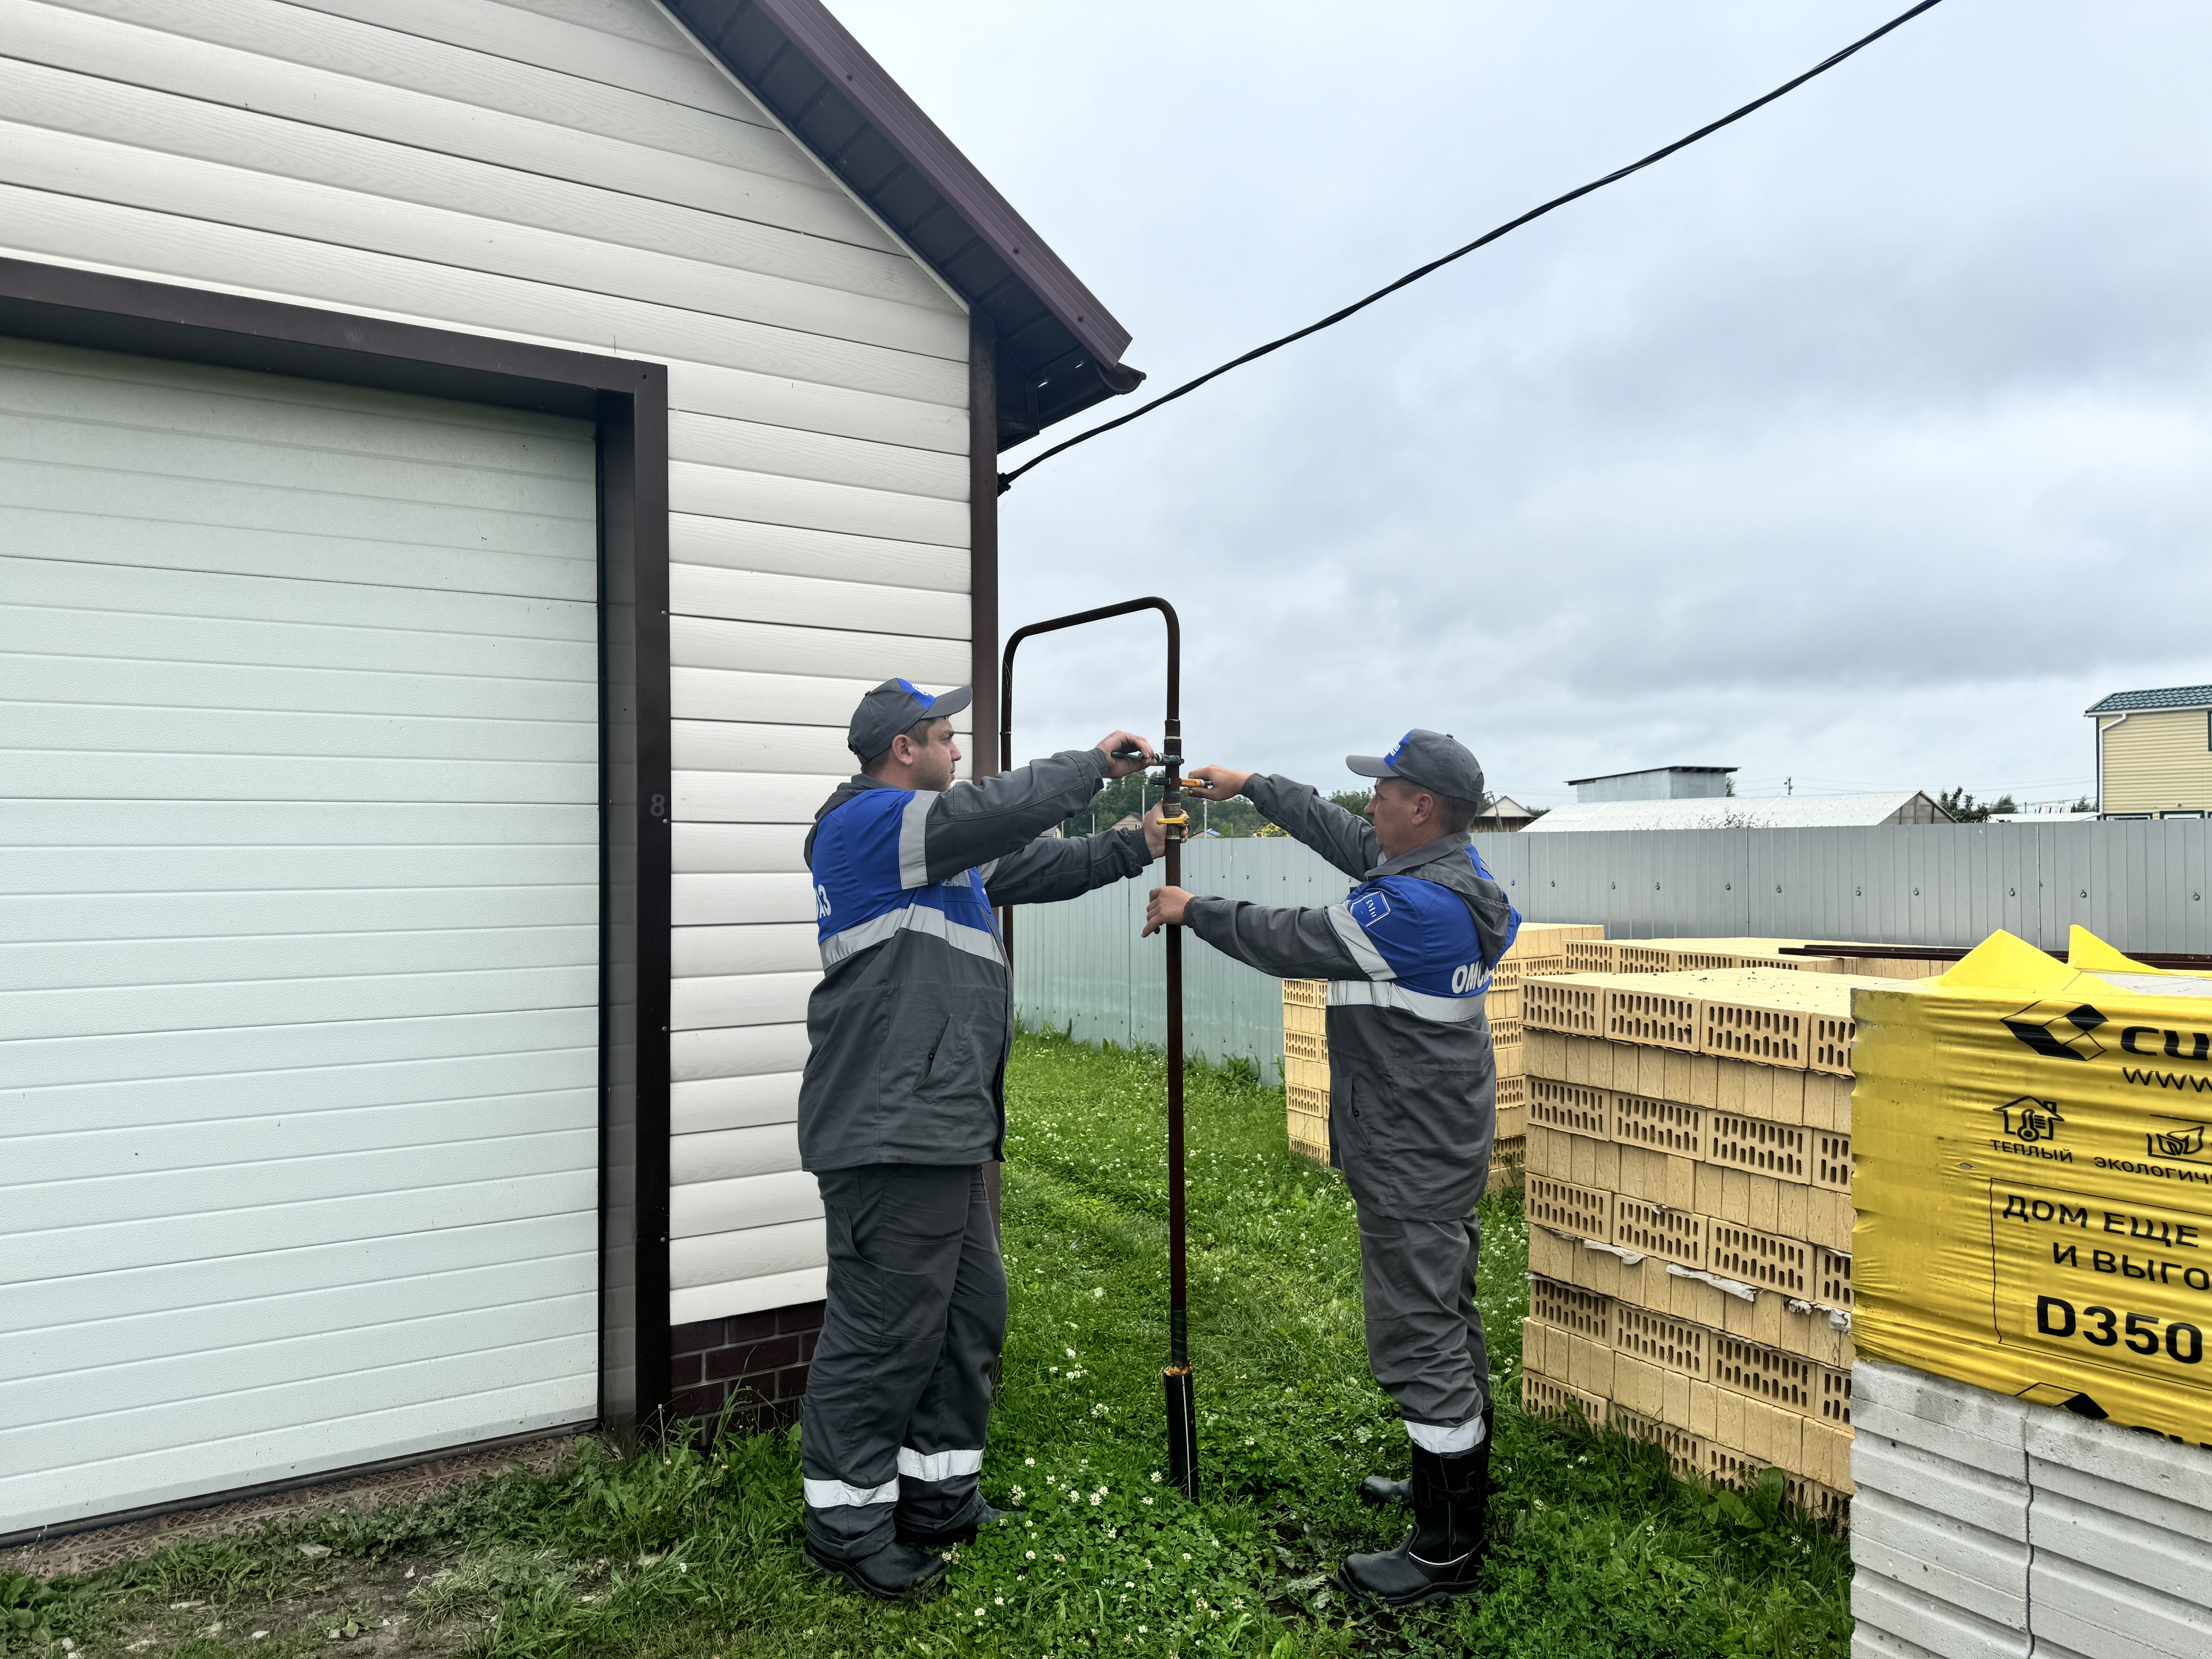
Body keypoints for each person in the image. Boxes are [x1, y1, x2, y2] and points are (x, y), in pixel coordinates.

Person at [799, 677, 1166, 1599]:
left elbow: (1036, 867)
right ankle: (846, 1526)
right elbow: (996, 809)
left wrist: (1139, 844)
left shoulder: (936, 855)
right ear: (903, 750)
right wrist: (1092, 765)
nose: (959, 752)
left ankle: (938, 1497)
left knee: (968, 1315)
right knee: (885, 1328)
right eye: (947, 738)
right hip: (890, 1129)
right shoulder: (868, 827)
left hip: (945, 1125)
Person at [1143, 730, 1519, 1608]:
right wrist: (1253, 787)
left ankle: (1445, 1551)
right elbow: (1344, 838)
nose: (1371, 804)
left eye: (1384, 790)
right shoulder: (1456, 876)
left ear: (1421, 806)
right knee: (1447, 1310)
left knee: (1417, 1334)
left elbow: (1293, 938)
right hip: (1436, 1135)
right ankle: (1444, 1485)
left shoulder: (1415, 909)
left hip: (1409, 1148)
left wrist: (1190, 907)